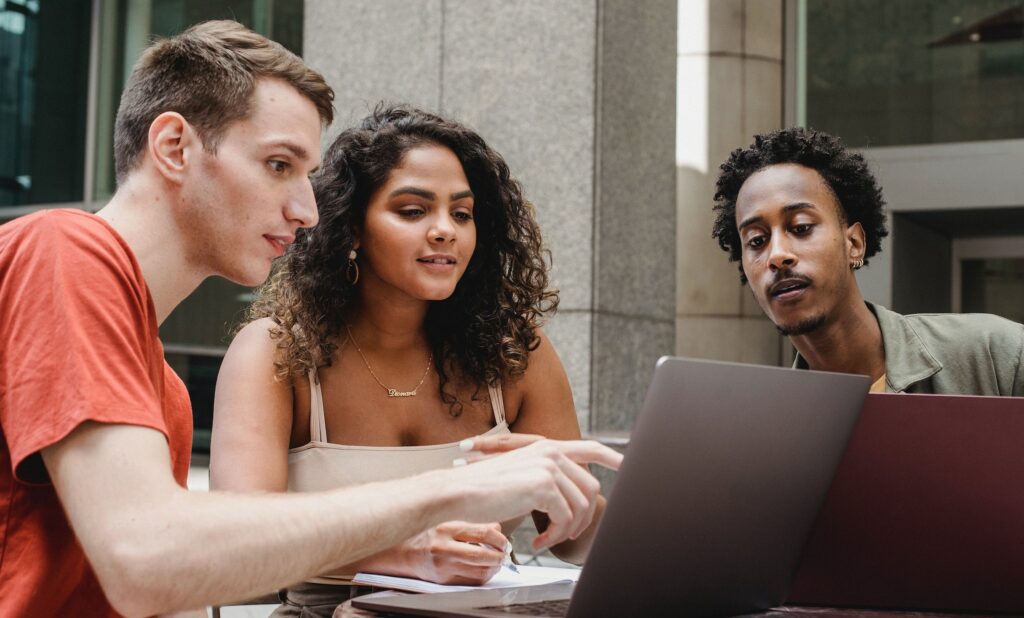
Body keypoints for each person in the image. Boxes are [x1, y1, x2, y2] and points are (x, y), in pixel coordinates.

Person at [0, 21, 621, 617]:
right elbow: (144, 560)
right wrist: (454, 492)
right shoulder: (64, 248)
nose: (307, 210)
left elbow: (180, 588)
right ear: (174, 147)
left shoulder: (165, 392)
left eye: (307, 174)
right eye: (279, 165)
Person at [210, 104, 604, 615]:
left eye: (462, 213)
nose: (446, 230)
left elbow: (576, 545)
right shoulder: (276, 351)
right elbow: (236, 542)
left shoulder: (514, 351)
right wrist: (398, 553)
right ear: (351, 229)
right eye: (413, 211)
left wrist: (576, 501)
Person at [711, 127, 1023, 395]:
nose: (777, 255)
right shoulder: (773, 428)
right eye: (756, 241)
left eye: (801, 227)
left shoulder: (995, 354)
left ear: (854, 243)